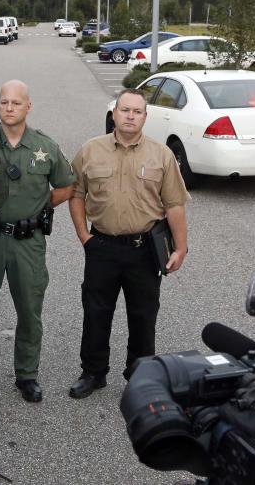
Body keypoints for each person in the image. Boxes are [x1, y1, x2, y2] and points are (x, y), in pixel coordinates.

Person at [0, 80, 75, 403]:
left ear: (28, 107)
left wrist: (38, 210)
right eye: (4, 102)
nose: (9, 108)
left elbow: (66, 186)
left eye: (16, 103)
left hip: (28, 242)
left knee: (29, 311)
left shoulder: (45, 147)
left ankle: (26, 375)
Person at [68, 88, 189, 399]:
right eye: (125, 110)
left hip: (144, 250)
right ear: (114, 114)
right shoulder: (90, 150)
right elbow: (76, 194)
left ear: (145, 117)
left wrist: (180, 247)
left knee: (143, 315)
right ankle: (93, 372)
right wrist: (84, 236)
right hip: (102, 247)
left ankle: (141, 376)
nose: (130, 116)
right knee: (96, 311)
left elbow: (174, 204)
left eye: (137, 111)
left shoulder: (161, 155)